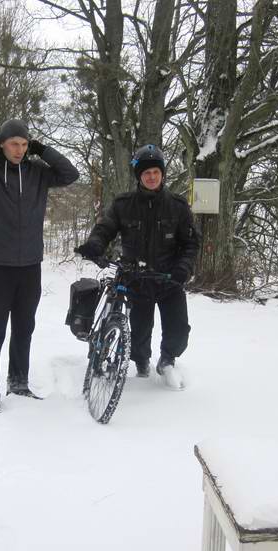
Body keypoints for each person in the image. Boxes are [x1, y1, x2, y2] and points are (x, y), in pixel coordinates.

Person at [0, 119, 79, 414]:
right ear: (1, 144)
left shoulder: (38, 173)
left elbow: (70, 174)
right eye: (14, 144)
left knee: (24, 328)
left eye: (24, 144)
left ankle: (18, 381)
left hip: (30, 265)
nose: (20, 150)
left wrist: (43, 150)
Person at [76, 144, 199, 387]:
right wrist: (95, 244)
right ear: (139, 176)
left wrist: (183, 268)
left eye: (155, 172)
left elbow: (191, 243)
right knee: (140, 332)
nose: (151, 177)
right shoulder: (124, 204)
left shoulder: (177, 206)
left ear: (162, 174)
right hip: (135, 277)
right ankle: (141, 363)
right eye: (146, 173)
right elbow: (105, 228)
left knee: (178, 330)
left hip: (168, 277)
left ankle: (167, 360)